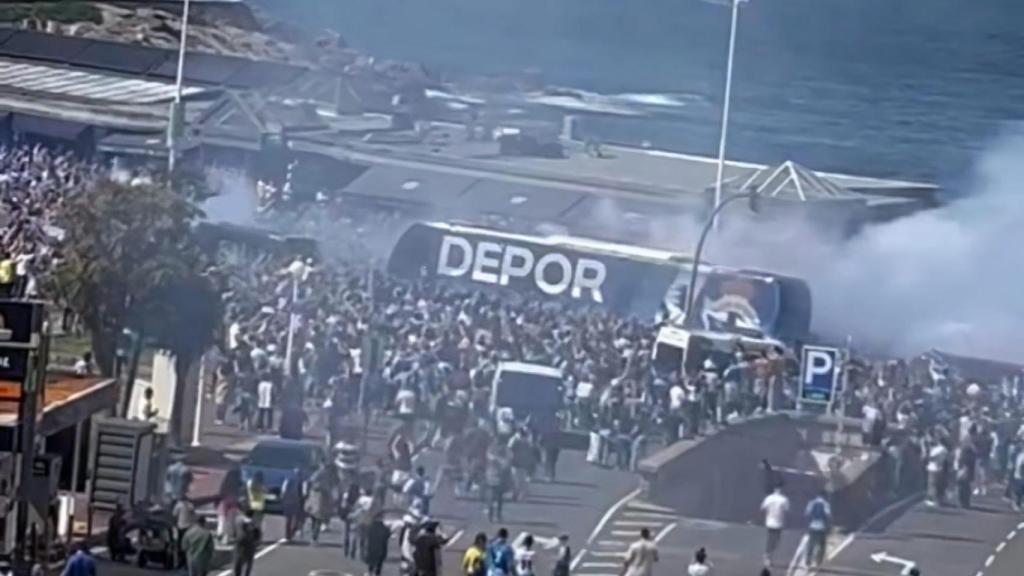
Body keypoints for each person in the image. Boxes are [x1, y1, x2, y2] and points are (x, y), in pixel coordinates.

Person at [760, 485, 790, 567]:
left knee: (771, 540)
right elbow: (787, 510)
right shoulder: (784, 499)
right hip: (778, 523)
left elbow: (762, 507)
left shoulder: (769, 498)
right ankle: (768, 557)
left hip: (770, 522)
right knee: (775, 541)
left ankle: (768, 555)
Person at [804, 490, 831, 567]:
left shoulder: (812, 503)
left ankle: (808, 560)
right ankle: (818, 561)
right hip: (821, 527)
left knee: (811, 544)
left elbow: (807, 513)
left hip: (812, 525)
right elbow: (828, 515)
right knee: (821, 544)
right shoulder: (825, 504)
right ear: (824, 496)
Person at [234, 508, 262, 576]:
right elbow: (256, 532)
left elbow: (234, 530)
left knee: (238, 557)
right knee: (249, 560)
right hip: (249, 542)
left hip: (239, 540)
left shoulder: (237, 519)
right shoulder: (251, 522)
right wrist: (257, 541)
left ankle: (237, 573)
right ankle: (246, 574)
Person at [281, 468, 306, 542]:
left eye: (299, 474)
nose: (298, 475)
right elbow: (284, 490)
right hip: (290, 501)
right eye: (297, 473)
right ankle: (288, 535)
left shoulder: (302, 482)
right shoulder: (289, 480)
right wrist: (283, 498)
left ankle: (291, 534)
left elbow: (303, 493)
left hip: (297, 502)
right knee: (289, 519)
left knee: (296, 519)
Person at [173, 497, 197, 568]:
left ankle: (180, 562)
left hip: (181, 528)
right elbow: (194, 516)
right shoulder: (191, 505)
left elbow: (174, 515)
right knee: (188, 545)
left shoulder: (178, 505)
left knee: (180, 545)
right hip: (189, 527)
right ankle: (187, 563)